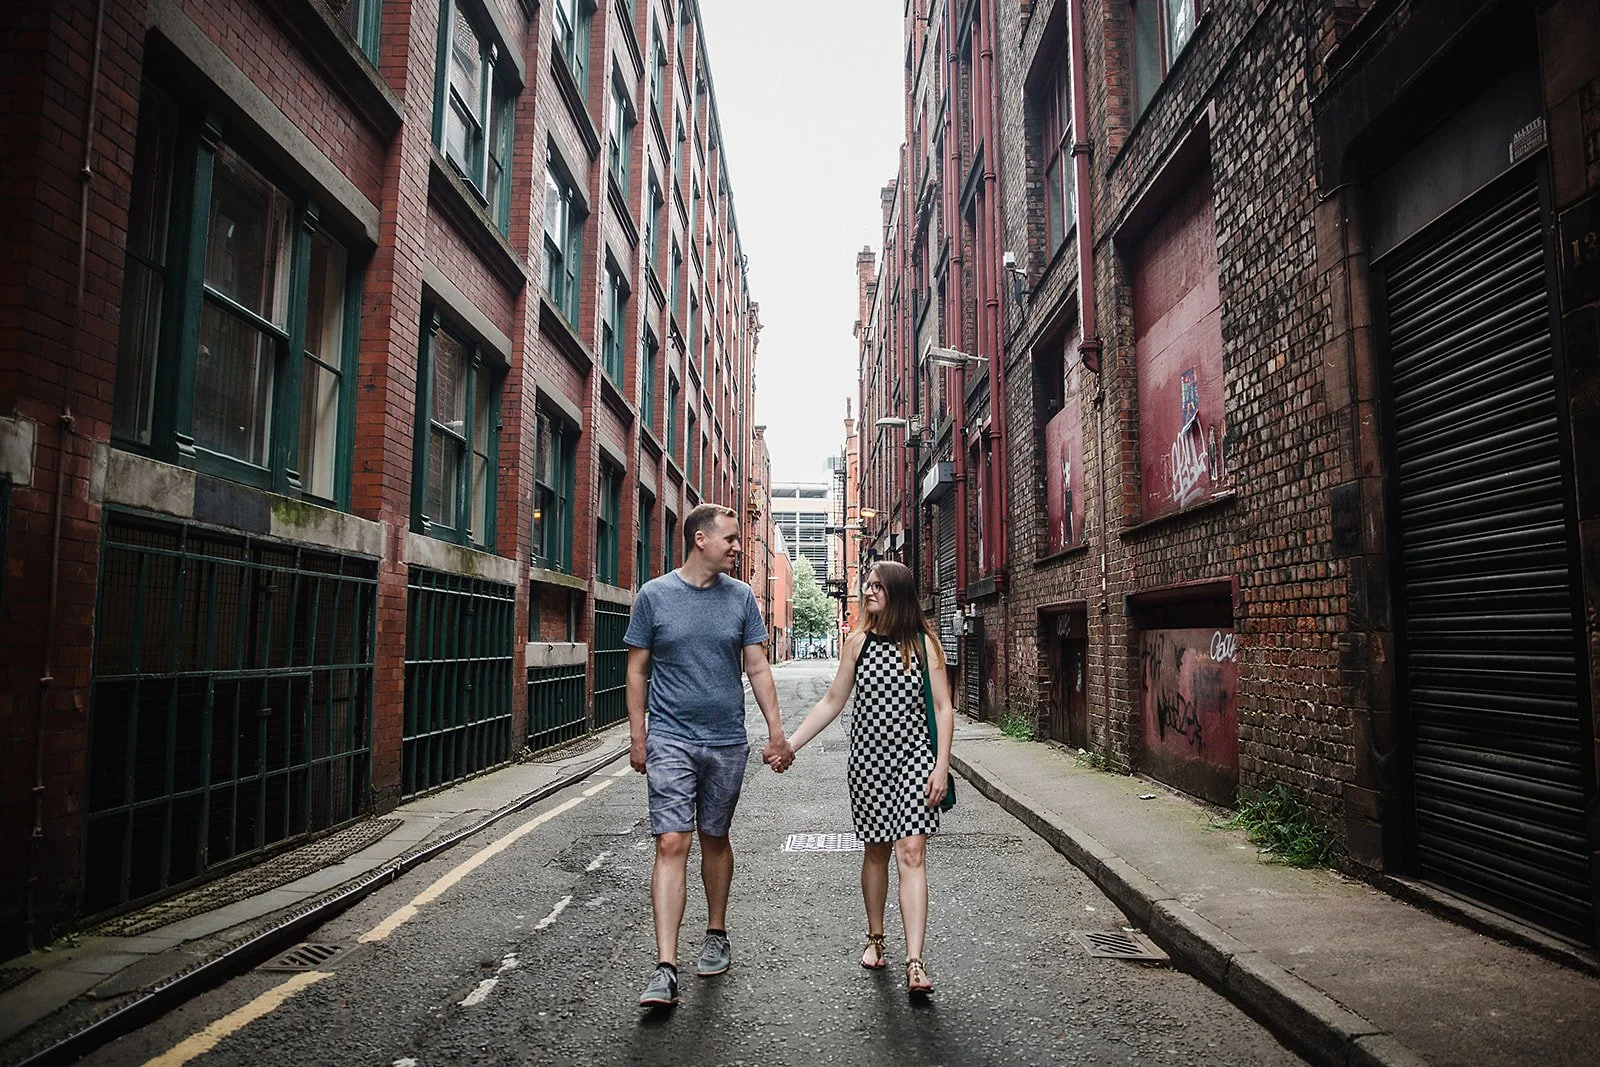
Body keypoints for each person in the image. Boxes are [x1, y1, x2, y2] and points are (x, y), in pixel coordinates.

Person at [625, 503, 790, 1008]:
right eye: (731, 538)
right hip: (671, 737)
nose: (739, 546)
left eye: (740, 538)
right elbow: (637, 670)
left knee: (714, 836)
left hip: (725, 740)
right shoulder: (654, 596)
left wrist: (777, 733)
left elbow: (758, 667)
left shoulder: (741, 598)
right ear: (700, 539)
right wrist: (639, 735)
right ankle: (665, 966)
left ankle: (716, 931)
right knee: (672, 841)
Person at [767, 560, 954, 996]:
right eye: (866, 585)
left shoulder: (925, 646)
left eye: (877, 587)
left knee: (911, 853)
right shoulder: (858, 645)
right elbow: (832, 702)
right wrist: (791, 743)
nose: (868, 592)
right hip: (869, 763)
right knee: (877, 852)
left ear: (898, 594)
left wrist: (942, 765)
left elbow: (943, 708)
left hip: (915, 762)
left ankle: (915, 962)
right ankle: (875, 937)